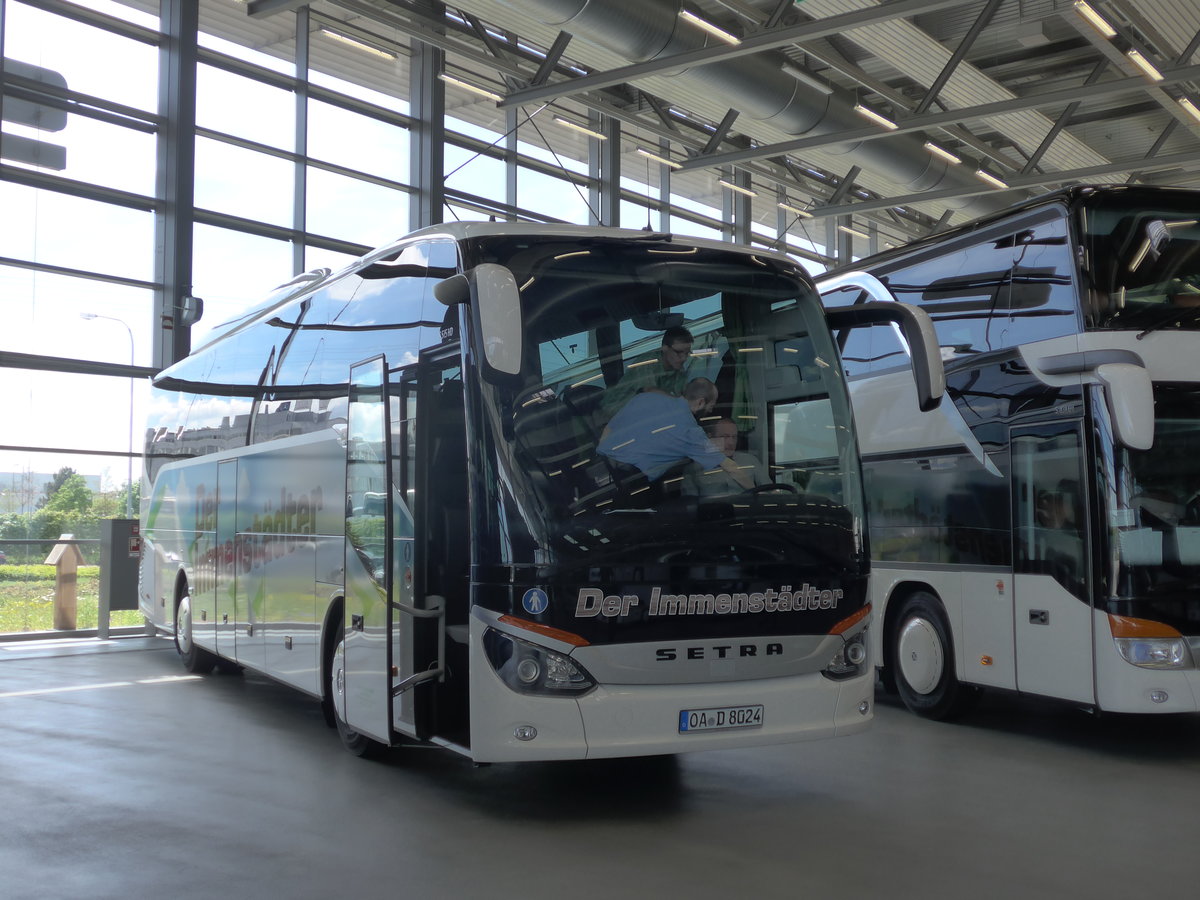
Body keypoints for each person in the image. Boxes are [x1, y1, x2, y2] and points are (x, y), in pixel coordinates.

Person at [598, 378, 754, 490]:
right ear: (700, 402)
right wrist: (759, 492)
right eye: (711, 406)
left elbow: (608, 429)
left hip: (598, 472)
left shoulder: (645, 398)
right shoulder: (692, 433)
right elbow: (730, 466)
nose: (711, 411)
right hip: (631, 485)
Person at [599, 325, 694, 420]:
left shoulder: (679, 371)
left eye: (687, 353)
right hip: (613, 416)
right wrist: (679, 403)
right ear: (665, 348)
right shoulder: (648, 362)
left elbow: (682, 396)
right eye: (678, 352)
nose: (684, 358)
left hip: (642, 418)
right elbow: (650, 393)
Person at [684, 418, 771, 497]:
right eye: (725, 437)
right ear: (710, 438)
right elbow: (691, 506)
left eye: (734, 437)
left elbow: (770, 492)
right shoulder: (694, 469)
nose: (731, 442)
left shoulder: (750, 461)